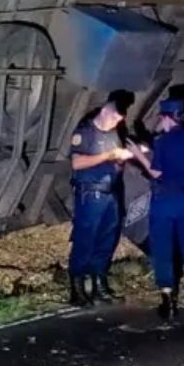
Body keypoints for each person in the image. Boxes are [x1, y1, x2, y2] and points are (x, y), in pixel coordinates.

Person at [128, 95, 184, 321]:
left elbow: (156, 172)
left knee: (163, 250)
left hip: (164, 201)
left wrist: (139, 154)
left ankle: (168, 302)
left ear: (168, 118)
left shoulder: (163, 142)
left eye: (162, 118)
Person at [67, 91, 136, 306]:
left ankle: (99, 284)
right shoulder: (85, 132)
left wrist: (125, 157)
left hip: (112, 192)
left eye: (120, 120)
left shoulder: (114, 133)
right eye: (115, 117)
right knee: (85, 238)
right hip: (91, 192)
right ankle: (77, 289)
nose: (117, 122)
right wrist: (109, 156)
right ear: (106, 110)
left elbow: (115, 160)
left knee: (107, 239)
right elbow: (76, 163)